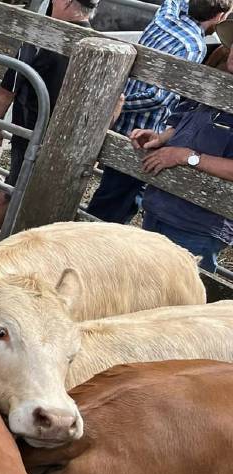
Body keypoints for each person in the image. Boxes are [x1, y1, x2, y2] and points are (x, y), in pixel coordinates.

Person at [85, 0, 232, 224]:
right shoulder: (193, 46)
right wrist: (121, 104)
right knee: (120, 197)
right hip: (147, 125)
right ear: (220, 15)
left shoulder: (166, 17)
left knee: (113, 190)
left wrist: (115, 103)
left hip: (126, 124)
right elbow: (158, 97)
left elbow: (173, 1)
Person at [0, 0, 98, 234]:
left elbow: (6, 90)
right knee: (23, 193)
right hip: (72, 143)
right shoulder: (99, 45)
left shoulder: (43, 36)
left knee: (12, 194)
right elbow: (118, 100)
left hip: (32, 133)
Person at [129, 21, 233, 272]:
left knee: (177, 299)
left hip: (199, 221)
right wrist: (162, 138)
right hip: (162, 203)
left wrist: (186, 156)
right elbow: (187, 121)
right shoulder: (217, 83)